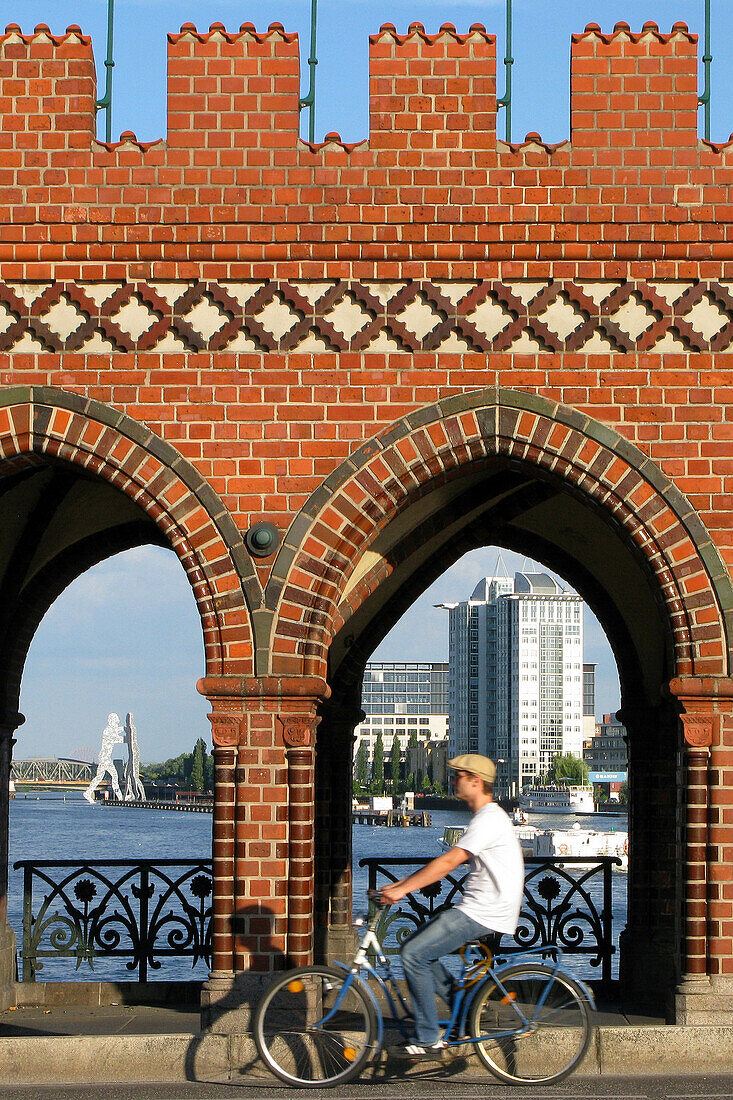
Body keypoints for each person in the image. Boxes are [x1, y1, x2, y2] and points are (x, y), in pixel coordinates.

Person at [378, 754, 524, 1060]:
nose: (453, 780)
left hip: (484, 911)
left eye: (459, 775)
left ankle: (429, 1037)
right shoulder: (488, 817)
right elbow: (445, 864)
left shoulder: (488, 819)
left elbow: (447, 862)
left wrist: (403, 890)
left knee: (412, 953)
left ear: (476, 781)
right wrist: (401, 883)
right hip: (481, 907)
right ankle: (466, 1014)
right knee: (422, 949)